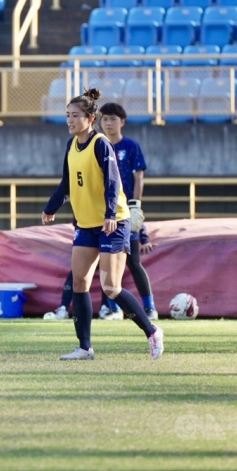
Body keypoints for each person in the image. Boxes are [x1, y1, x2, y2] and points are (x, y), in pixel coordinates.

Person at [42, 88, 164, 361]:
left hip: (113, 222)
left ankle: (152, 330)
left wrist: (110, 214)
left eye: (75, 115)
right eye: (67, 115)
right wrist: (50, 208)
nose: (70, 120)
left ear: (90, 118)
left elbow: (113, 181)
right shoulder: (71, 145)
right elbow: (66, 182)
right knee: (80, 283)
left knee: (111, 287)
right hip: (86, 224)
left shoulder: (100, 144)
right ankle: (85, 348)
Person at [53, 102, 158, 321]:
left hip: (120, 213)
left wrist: (135, 204)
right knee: (84, 269)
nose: (108, 123)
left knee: (131, 263)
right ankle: (103, 312)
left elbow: (137, 176)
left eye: (113, 119)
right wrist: (52, 206)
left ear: (122, 122)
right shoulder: (79, 144)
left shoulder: (126, 146)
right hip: (90, 215)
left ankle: (149, 309)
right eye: (105, 119)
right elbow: (70, 181)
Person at [53, 225, 154, 321]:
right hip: (90, 228)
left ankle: (148, 312)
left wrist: (144, 237)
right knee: (79, 273)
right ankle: (64, 307)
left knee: (116, 275)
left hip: (117, 227)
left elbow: (133, 209)